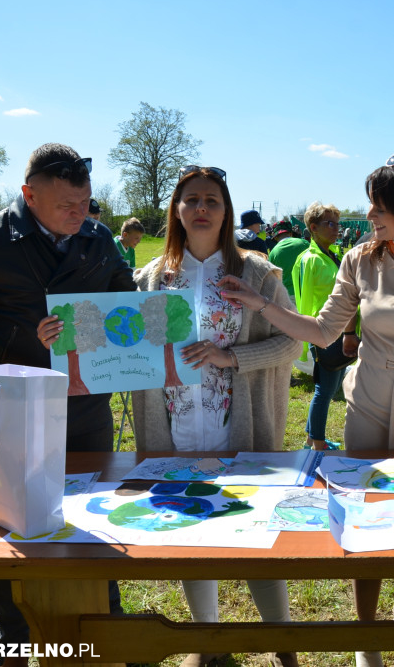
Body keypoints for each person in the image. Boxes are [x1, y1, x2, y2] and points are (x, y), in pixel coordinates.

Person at [221, 155, 394, 667]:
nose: (370, 215)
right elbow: (321, 331)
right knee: (368, 508)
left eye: (380, 206)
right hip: (374, 401)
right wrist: (260, 305)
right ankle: (367, 634)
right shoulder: (361, 260)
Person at [0, 143, 134, 665]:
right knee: (15, 521)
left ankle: (106, 625)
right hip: (14, 408)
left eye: (85, 203)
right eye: (66, 206)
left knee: (93, 513)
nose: (80, 217)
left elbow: (122, 306)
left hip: (84, 403)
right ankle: (14, 633)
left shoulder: (99, 238)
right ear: (28, 194)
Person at [130, 165, 301, 667]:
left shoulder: (257, 273)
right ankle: (208, 643)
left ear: (225, 212)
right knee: (192, 531)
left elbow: (292, 341)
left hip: (240, 425)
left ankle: (284, 643)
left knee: (254, 531)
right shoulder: (149, 278)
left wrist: (233, 357)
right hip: (176, 425)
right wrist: (70, 337)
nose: (201, 208)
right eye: (191, 199)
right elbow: (120, 347)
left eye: (213, 200)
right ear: (176, 210)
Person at [293, 201, 359, 451]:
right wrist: (310, 337)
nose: (336, 229)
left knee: (329, 386)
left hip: (340, 330)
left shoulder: (332, 254)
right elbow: (305, 299)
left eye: (337, 224)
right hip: (325, 332)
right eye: (329, 224)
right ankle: (318, 443)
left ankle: (313, 437)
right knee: (325, 389)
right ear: (313, 227)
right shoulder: (310, 259)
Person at [268, 221, 310, 304]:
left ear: (276, 237)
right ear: (290, 233)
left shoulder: (273, 253)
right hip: (307, 290)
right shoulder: (304, 243)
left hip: (288, 295)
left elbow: (272, 278)